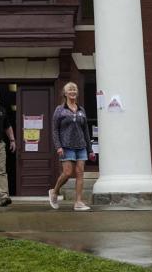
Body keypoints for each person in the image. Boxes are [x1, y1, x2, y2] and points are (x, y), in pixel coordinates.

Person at [47, 81, 95, 211]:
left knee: (80, 173)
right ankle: (54, 191)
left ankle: (78, 202)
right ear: (65, 93)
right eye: (70, 90)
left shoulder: (81, 110)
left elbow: (85, 131)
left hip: (81, 147)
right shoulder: (60, 110)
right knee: (67, 173)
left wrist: (90, 150)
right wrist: (58, 146)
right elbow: (55, 130)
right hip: (66, 146)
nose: (73, 92)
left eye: (74, 90)